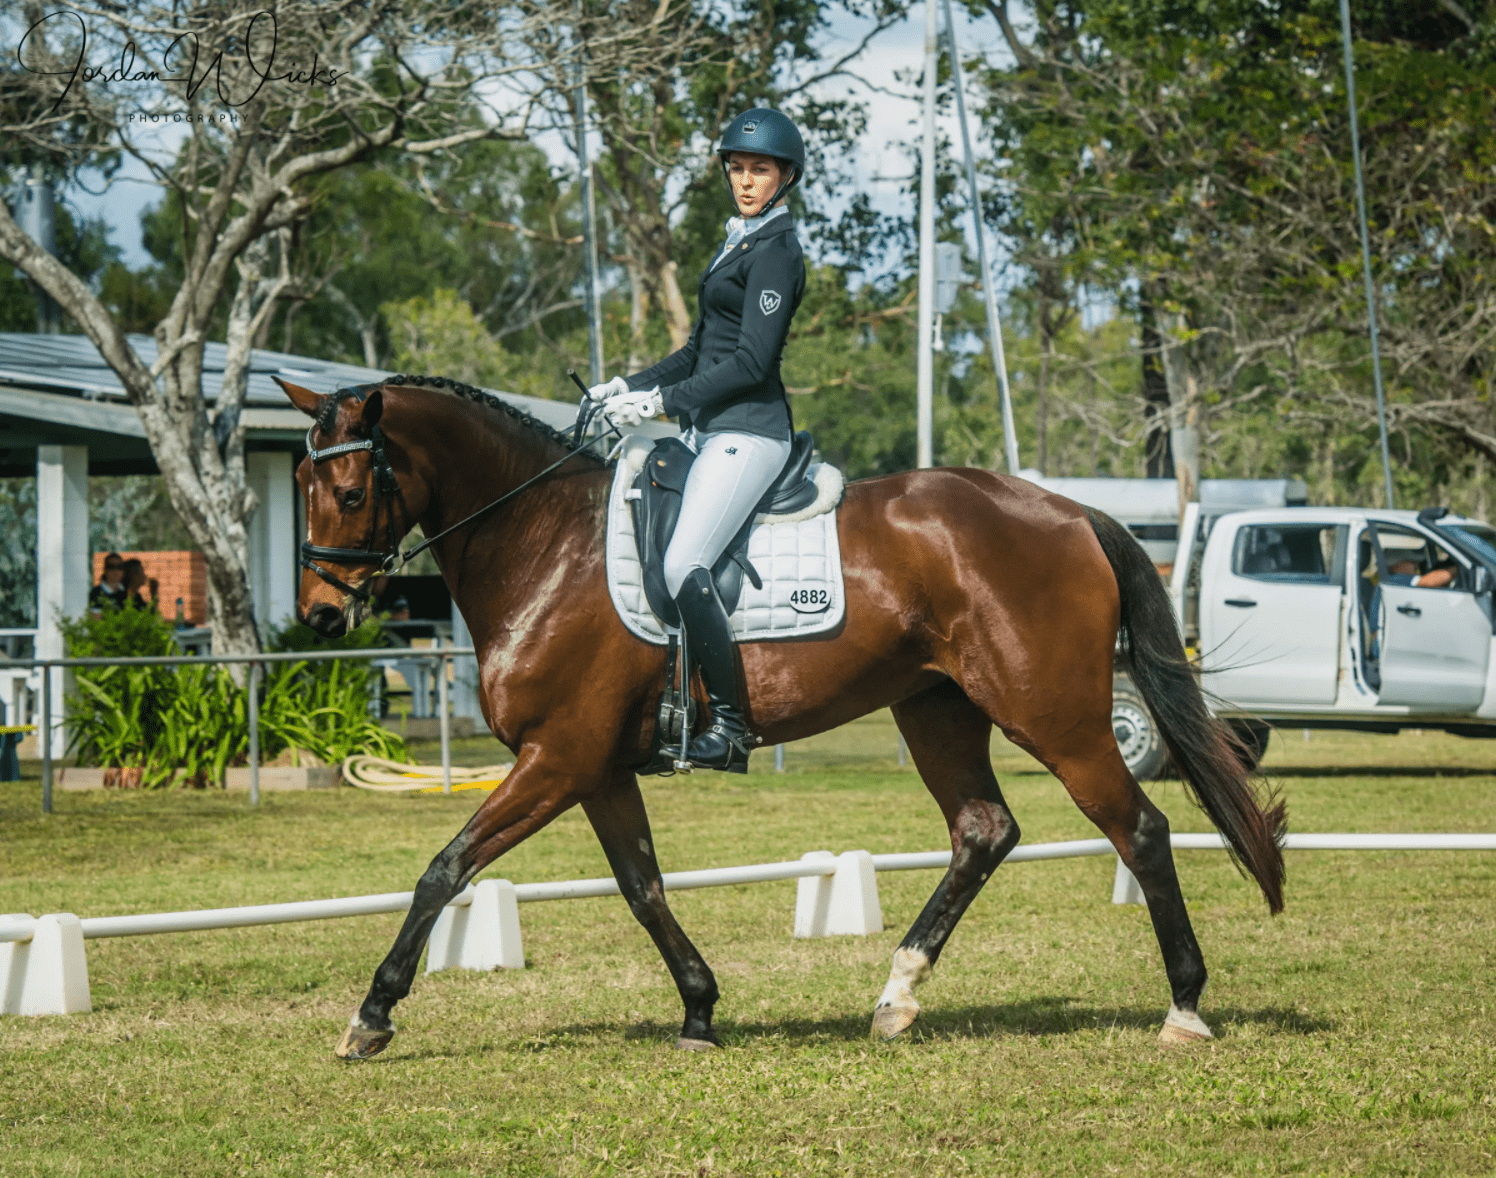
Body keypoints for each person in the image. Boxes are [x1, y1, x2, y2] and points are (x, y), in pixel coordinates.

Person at [590, 107, 809, 772]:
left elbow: (749, 364)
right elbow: (698, 350)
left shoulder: (777, 252)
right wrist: (625, 383)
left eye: (759, 170)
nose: (745, 180)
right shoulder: (736, 242)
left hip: (751, 431)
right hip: (708, 430)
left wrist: (661, 403)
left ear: (784, 176)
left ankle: (733, 726)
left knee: (686, 563)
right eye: (737, 168)